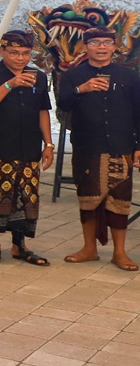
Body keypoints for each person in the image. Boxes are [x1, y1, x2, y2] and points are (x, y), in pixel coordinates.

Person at [57, 27, 140, 271]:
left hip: (120, 144)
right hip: (87, 145)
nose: (101, 47)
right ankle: (89, 249)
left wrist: (139, 146)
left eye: (106, 43)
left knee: (120, 200)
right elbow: (62, 105)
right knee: (88, 199)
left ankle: (120, 252)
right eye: (95, 43)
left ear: (115, 47)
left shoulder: (129, 76)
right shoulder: (73, 76)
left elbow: (138, 112)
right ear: (86, 47)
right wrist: (82, 89)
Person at [0, 30, 53, 266]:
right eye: (15, 53)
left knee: (26, 196)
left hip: (29, 146)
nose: (21, 58)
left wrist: (48, 144)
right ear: (2, 51)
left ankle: (20, 246)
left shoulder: (38, 76)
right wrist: (10, 84)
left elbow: (42, 111)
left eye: (26, 53)